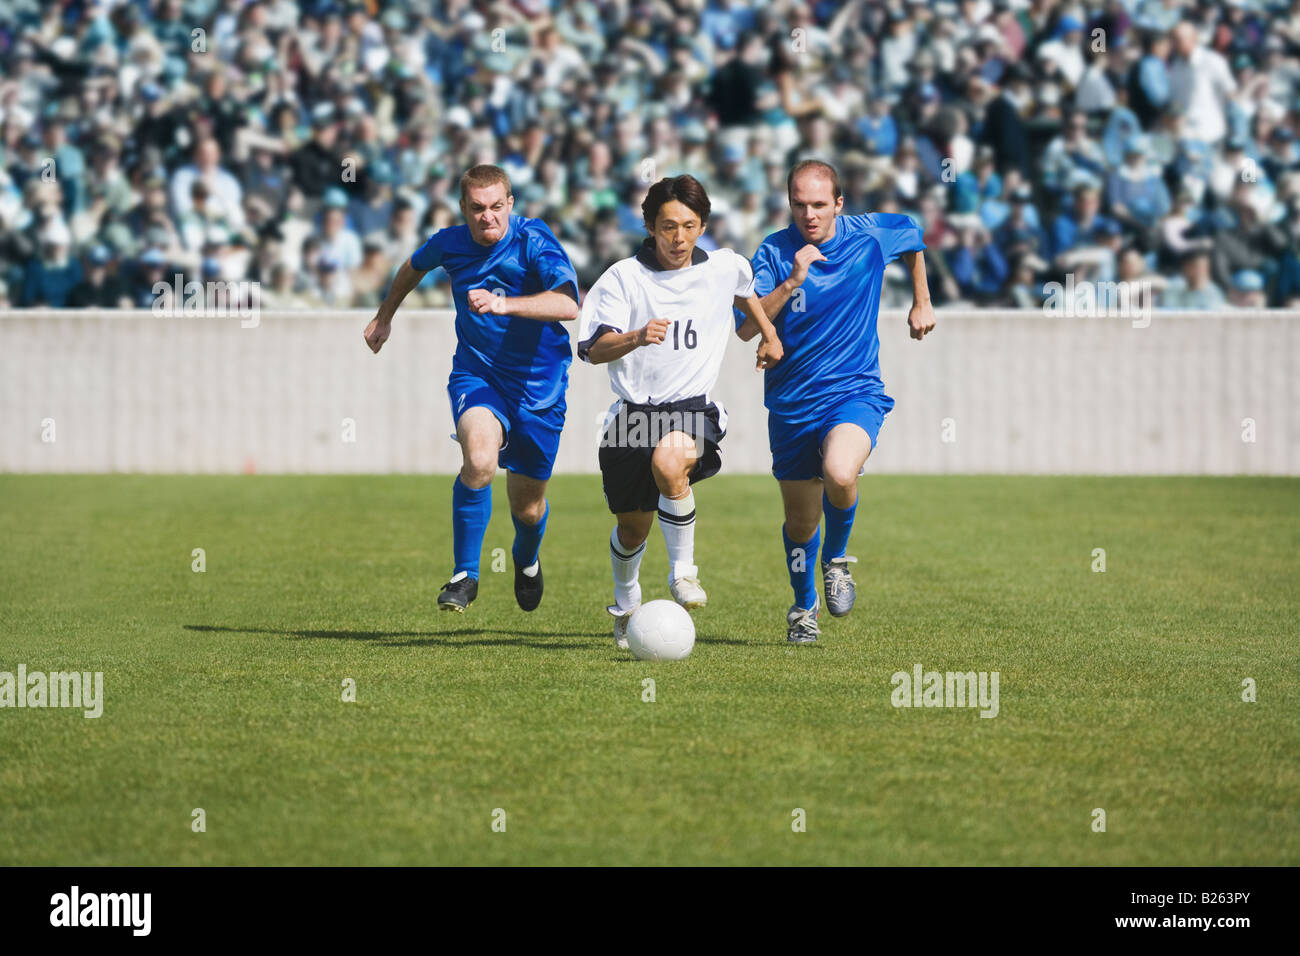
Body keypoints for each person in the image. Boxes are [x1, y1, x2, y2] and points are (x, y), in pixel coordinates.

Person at [363, 165, 579, 613]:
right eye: (477, 209)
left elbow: (568, 304)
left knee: (528, 508)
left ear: (510, 205)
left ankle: (526, 559)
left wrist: (505, 304)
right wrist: (385, 316)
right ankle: (465, 575)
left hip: (539, 390)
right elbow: (411, 267)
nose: (488, 217)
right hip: (478, 376)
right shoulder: (449, 242)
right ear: (464, 209)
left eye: (497, 207)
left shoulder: (534, 241)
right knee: (479, 461)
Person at [578, 175, 783, 648]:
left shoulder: (724, 266)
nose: (679, 237)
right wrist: (635, 336)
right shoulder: (623, 278)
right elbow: (591, 349)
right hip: (631, 417)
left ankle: (683, 574)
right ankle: (626, 601)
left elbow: (745, 291)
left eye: (690, 226)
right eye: (668, 226)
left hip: (692, 408)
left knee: (671, 461)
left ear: (703, 225)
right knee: (632, 529)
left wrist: (770, 336)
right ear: (650, 226)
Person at [740, 160, 935, 643]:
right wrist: (791, 283)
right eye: (800, 204)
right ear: (789, 203)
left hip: (853, 390)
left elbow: (913, 236)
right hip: (790, 403)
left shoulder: (867, 234)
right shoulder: (773, 251)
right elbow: (746, 327)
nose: (809, 214)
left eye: (820, 205)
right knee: (800, 522)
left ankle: (838, 559)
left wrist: (921, 299)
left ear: (839, 204)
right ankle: (803, 609)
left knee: (841, 472)